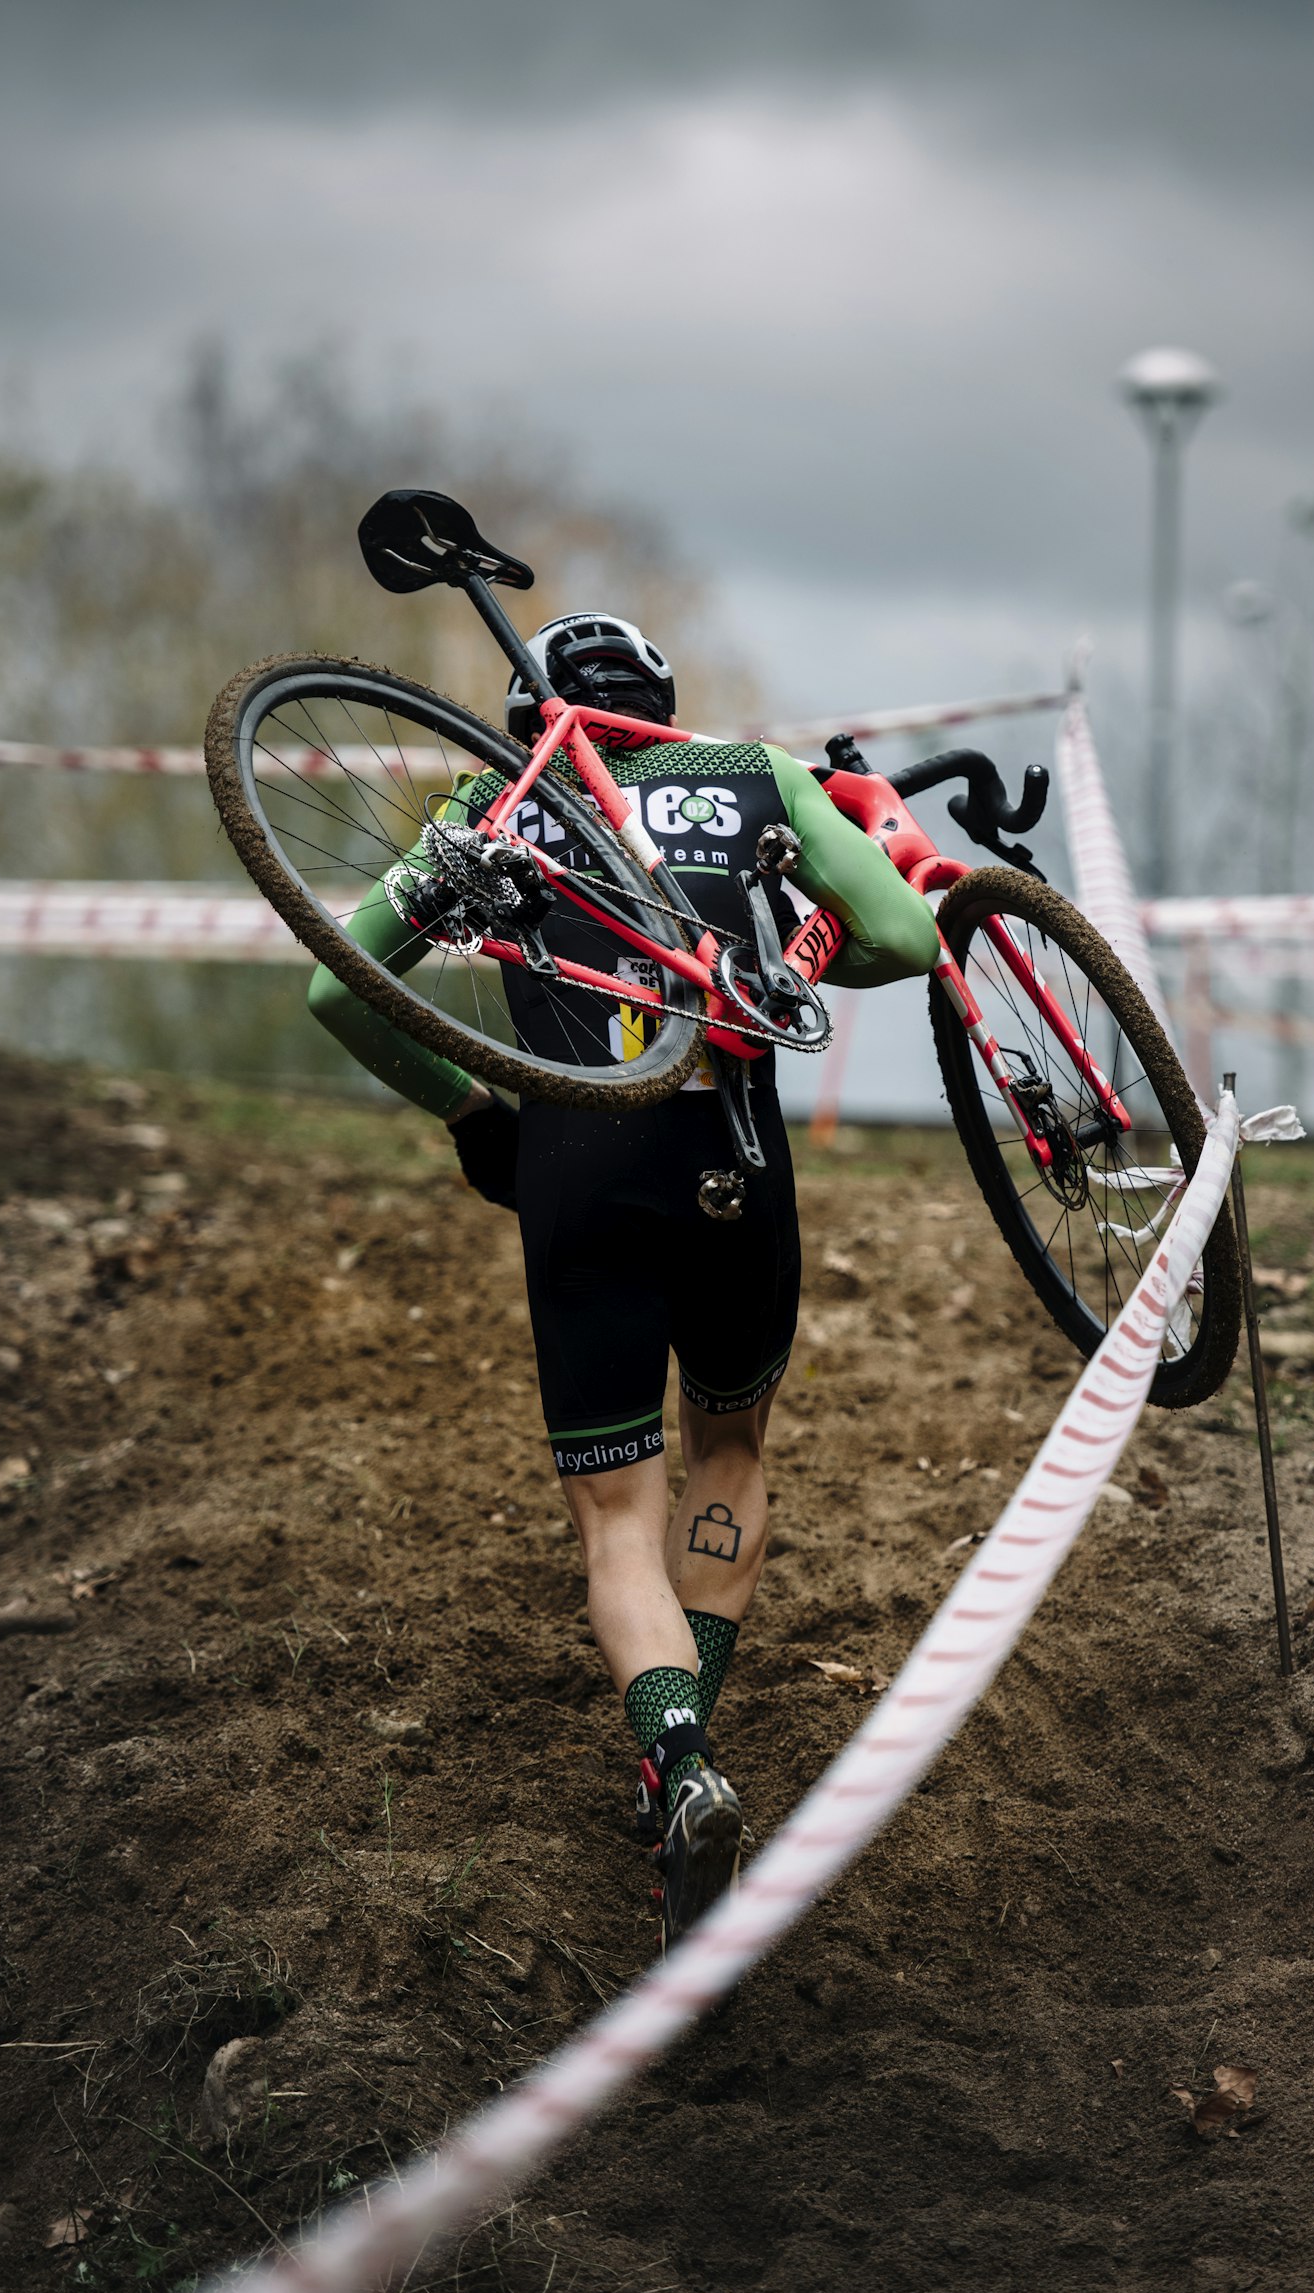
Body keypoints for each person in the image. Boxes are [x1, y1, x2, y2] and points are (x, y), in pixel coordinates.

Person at [309, 611, 938, 1948]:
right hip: (734, 1141)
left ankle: (675, 1760)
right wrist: (810, 955)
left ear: (533, 719)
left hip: (573, 1159)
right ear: (660, 704)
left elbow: (338, 990)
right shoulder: (755, 773)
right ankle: (688, 1739)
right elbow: (906, 935)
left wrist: (477, 1116)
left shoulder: (492, 803)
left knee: (614, 1517)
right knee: (731, 1445)